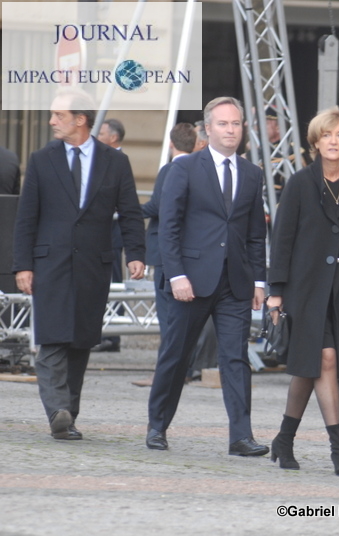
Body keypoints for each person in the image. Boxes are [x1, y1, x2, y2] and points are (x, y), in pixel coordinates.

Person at [12, 87, 146, 440]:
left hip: (93, 265)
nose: (52, 121)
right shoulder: (41, 159)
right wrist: (22, 265)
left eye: (59, 115)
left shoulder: (115, 161)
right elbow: (26, 217)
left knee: (80, 341)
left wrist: (136, 253)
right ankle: (57, 409)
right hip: (49, 264)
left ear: (81, 119)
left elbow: (130, 212)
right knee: (52, 337)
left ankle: (68, 414)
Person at [146, 97, 268, 457]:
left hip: (235, 283)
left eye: (236, 123)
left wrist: (259, 281)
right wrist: (177, 275)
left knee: (235, 359)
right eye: (223, 124)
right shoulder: (184, 168)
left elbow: (255, 234)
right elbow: (168, 227)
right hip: (191, 281)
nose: (231, 130)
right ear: (207, 129)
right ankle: (157, 426)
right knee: (176, 354)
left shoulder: (252, 173)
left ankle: (241, 436)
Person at [267, 106, 339, 476]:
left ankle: (284, 439)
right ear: (316, 142)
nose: (333, 141)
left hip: (338, 292)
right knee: (325, 359)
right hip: (304, 289)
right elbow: (283, 239)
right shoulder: (300, 183)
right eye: (327, 135)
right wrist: (276, 292)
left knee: (308, 367)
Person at [134, 123, 218, 388]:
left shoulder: (171, 169)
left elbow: (158, 206)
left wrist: (130, 211)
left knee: (169, 319)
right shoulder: (200, 170)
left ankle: (168, 372)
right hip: (189, 253)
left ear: (171, 144)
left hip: (166, 254)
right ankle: (185, 368)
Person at [93, 118, 127, 353]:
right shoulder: (101, 159)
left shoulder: (119, 162)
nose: (97, 137)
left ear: (113, 137)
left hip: (113, 235)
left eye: (101, 133)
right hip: (102, 235)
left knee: (114, 284)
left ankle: (113, 335)